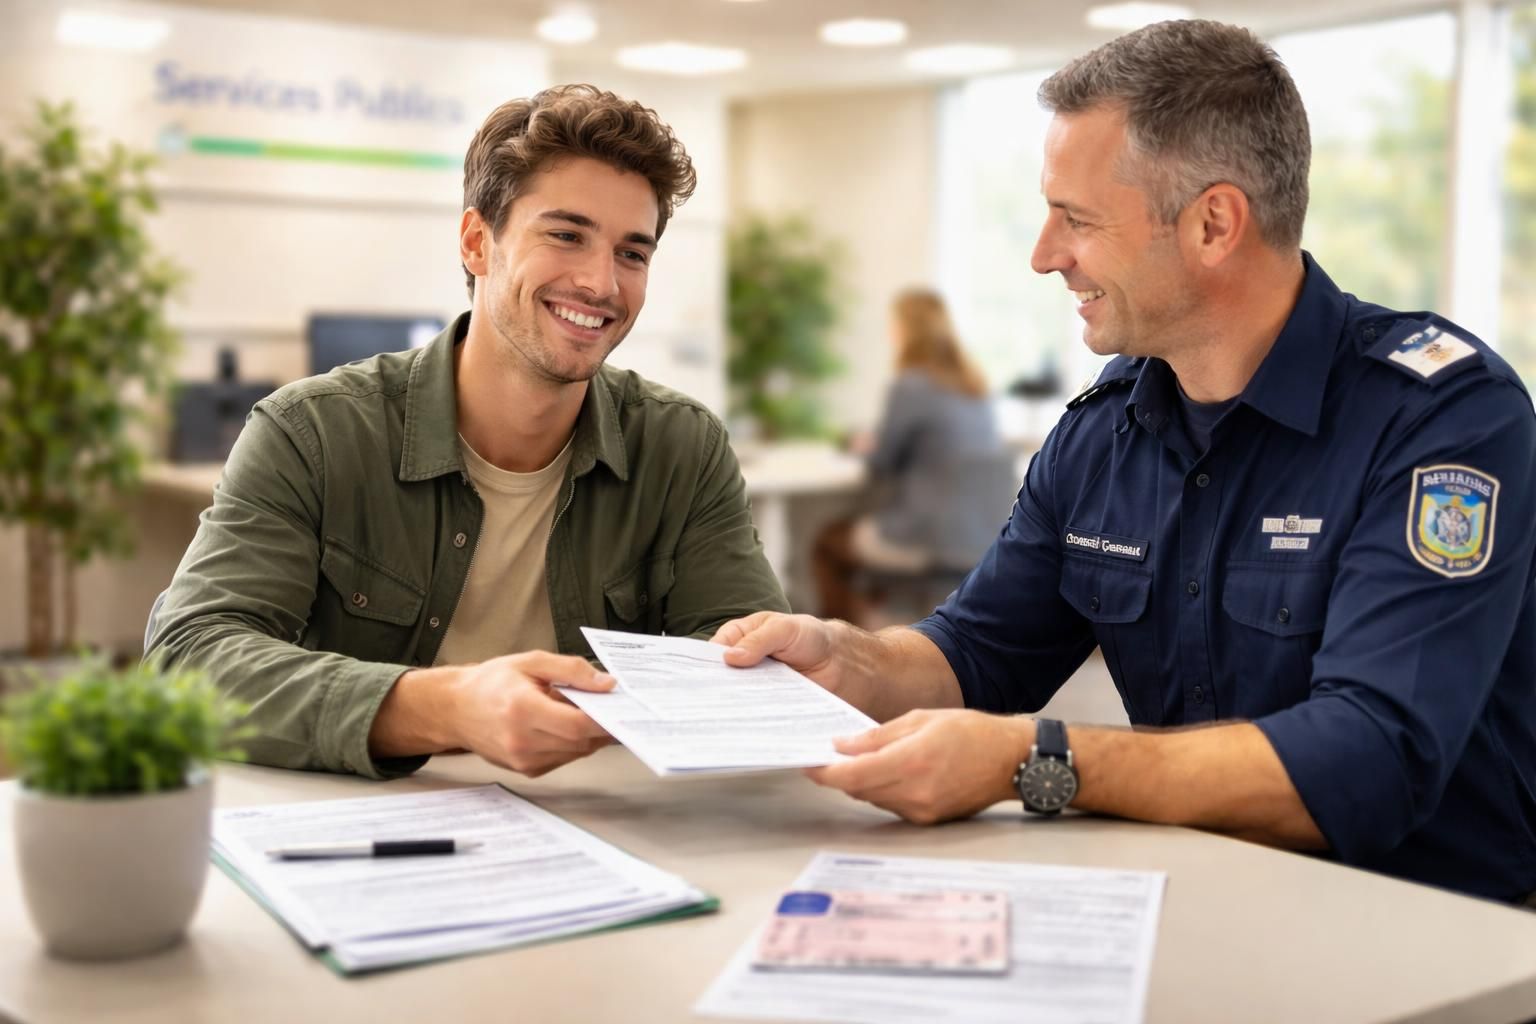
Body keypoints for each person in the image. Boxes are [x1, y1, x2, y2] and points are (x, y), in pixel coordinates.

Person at [715, 20, 1536, 905]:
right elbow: (980, 651)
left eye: (1076, 219)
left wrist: (1042, 762)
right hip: (1198, 900)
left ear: (1214, 223)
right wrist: (849, 661)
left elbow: (1374, 756)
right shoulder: (1107, 425)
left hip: (1433, 930)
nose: (1043, 255)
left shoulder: (1440, 415)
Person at [146, 85, 788, 781]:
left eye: (632, 254)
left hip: (615, 830)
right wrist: (444, 707)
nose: (602, 283)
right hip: (363, 833)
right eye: (566, 235)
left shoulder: (683, 449)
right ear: (478, 242)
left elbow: (748, 671)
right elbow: (189, 657)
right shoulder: (312, 434)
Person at [813, 288, 1004, 624]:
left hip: (923, 537)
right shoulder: (977, 389)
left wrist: (868, 446)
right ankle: (881, 619)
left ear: (905, 331)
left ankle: (845, 648)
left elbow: (881, 465)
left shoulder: (910, 386)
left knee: (829, 544)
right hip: (977, 536)